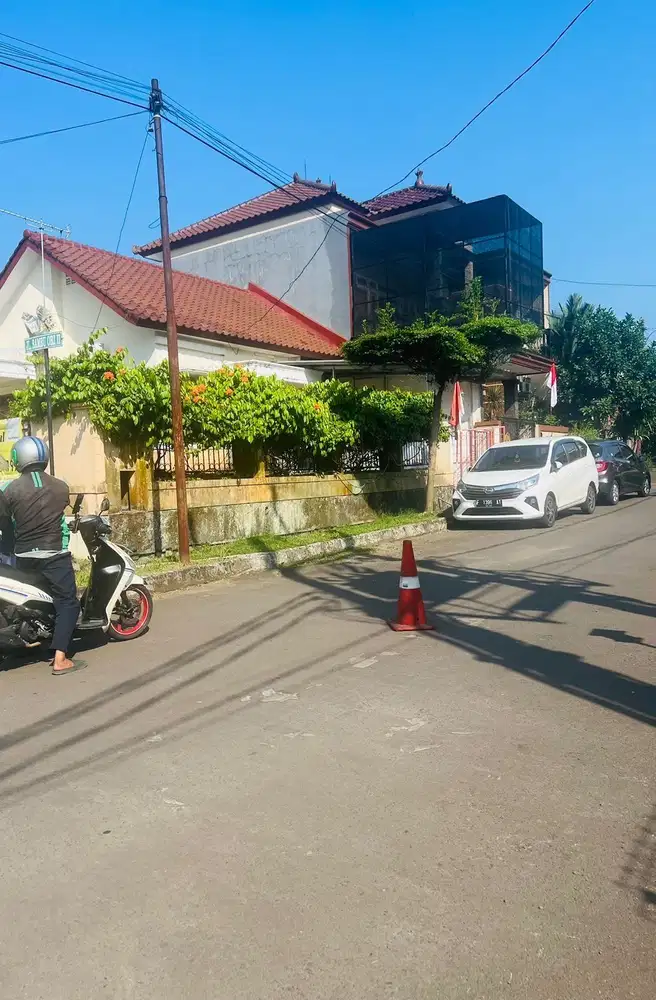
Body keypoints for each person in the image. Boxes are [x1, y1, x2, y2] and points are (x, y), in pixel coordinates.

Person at [0, 436, 85, 676]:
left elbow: (6, 525)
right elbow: (58, 518)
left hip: (24, 556)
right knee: (68, 602)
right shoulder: (61, 486)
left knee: (39, 598)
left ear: (17, 459)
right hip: (54, 556)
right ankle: (60, 658)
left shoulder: (9, 489)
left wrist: (8, 548)